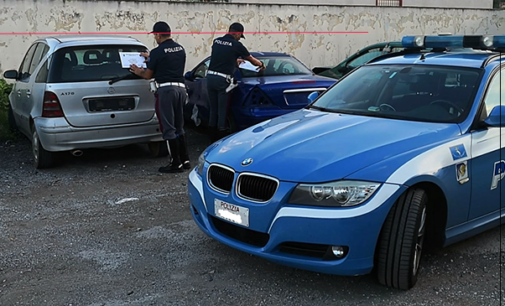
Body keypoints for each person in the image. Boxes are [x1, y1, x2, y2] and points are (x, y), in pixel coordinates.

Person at [130, 21, 191, 173]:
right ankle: (185, 159)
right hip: (181, 90)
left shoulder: (157, 52)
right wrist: (151, 58)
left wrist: (138, 71)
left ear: (157, 35)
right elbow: (167, 60)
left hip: (166, 91)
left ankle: (175, 163)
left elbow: (147, 75)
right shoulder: (180, 49)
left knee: (168, 127)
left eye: (155, 35)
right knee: (179, 126)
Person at [206, 22, 265, 141]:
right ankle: (219, 140)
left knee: (213, 110)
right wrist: (261, 64)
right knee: (222, 111)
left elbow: (221, 58)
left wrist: (234, 61)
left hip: (210, 78)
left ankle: (210, 138)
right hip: (222, 80)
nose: (239, 38)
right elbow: (251, 59)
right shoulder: (237, 45)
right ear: (237, 33)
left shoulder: (216, 41)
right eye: (240, 35)